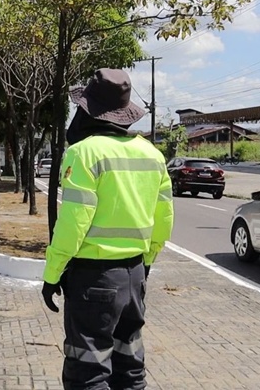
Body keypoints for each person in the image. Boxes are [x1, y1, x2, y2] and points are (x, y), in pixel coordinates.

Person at [41, 68, 174, 390]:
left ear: (87, 110)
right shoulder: (152, 154)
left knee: (88, 371)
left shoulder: (84, 153)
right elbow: (165, 218)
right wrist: (147, 262)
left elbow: (74, 223)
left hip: (93, 279)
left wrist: (52, 274)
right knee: (129, 366)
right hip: (134, 277)